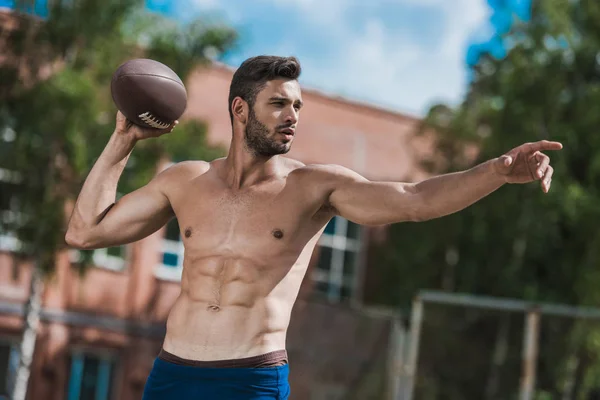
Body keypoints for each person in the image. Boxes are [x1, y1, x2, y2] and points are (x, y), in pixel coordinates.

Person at [65, 55, 562, 399]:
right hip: (172, 373)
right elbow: (85, 233)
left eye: (298, 106)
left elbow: (415, 200)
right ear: (240, 109)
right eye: (279, 104)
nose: (292, 116)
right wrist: (123, 140)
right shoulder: (186, 180)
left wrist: (497, 170)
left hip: (249, 380)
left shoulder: (313, 187)